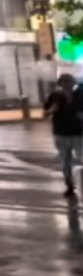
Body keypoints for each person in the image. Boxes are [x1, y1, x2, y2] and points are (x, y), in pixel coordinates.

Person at [47, 73, 83, 201]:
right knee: (65, 161)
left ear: (73, 83)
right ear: (60, 84)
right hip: (61, 133)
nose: (67, 84)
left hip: (78, 133)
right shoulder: (55, 96)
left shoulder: (79, 95)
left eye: (69, 81)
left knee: (81, 157)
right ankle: (69, 185)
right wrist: (52, 110)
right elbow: (45, 112)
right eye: (64, 82)